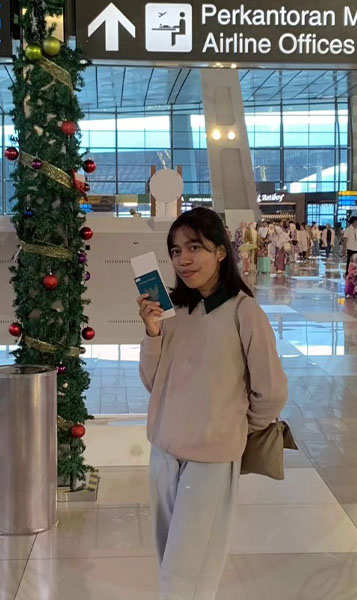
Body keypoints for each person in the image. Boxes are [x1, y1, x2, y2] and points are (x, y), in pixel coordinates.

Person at [137, 207, 288, 597]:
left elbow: (271, 391)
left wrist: (232, 429)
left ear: (220, 251)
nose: (183, 260)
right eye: (175, 251)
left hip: (211, 458)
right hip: (164, 451)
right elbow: (153, 382)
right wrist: (152, 333)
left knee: (188, 572)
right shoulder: (172, 311)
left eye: (194, 248)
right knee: (171, 559)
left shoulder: (243, 311)